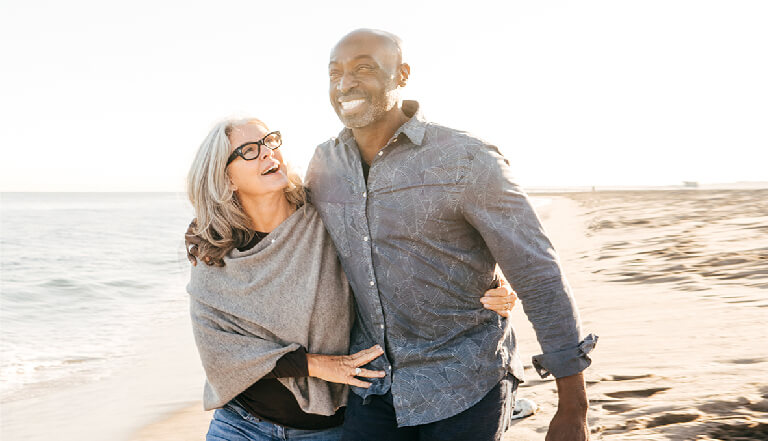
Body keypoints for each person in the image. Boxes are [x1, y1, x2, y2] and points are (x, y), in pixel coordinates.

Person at [304, 29, 598, 441]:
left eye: (364, 69)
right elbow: (284, 229)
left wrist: (573, 407)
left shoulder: (466, 159)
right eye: (334, 73)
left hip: (465, 381)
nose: (344, 84)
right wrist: (212, 230)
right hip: (373, 384)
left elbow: (538, 273)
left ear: (402, 74)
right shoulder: (324, 164)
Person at [184, 118, 518, 440]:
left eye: (269, 141)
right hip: (242, 424)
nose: (268, 152)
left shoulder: (327, 214)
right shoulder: (215, 248)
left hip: (329, 429)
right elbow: (220, 350)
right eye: (249, 151)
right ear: (226, 179)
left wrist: (485, 279)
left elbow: (405, 248)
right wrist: (315, 365)